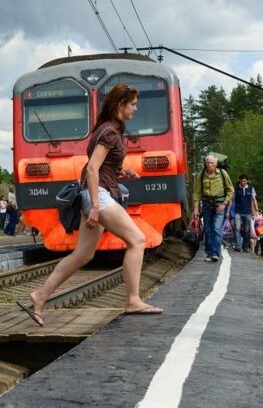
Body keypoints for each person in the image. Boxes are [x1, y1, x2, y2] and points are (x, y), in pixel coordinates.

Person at [21, 83, 162, 327]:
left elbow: (102, 167)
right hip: (99, 196)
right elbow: (93, 168)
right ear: (121, 105)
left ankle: (40, 296)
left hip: (95, 193)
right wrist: (96, 207)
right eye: (133, 105)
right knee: (137, 241)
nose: (136, 109)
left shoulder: (106, 129)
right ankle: (133, 300)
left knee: (83, 254)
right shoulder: (109, 132)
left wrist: (122, 171)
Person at [192, 155, 233, 262]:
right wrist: (196, 209)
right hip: (206, 204)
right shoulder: (200, 175)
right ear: (205, 163)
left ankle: (215, 253)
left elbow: (230, 190)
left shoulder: (223, 174)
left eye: (212, 163)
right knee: (208, 229)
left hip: (219, 204)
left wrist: (224, 204)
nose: (209, 165)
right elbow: (197, 193)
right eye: (208, 163)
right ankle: (209, 253)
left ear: (216, 164)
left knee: (216, 228)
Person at [232, 174, 258, 252]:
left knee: (247, 230)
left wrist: (256, 210)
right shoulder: (236, 189)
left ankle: (245, 246)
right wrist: (228, 210)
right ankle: (238, 246)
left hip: (247, 212)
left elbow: (254, 200)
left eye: (244, 181)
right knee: (237, 228)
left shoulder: (251, 189)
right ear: (239, 180)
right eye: (241, 181)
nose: (243, 182)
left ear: (247, 181)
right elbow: (232, 199)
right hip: (238, 212)